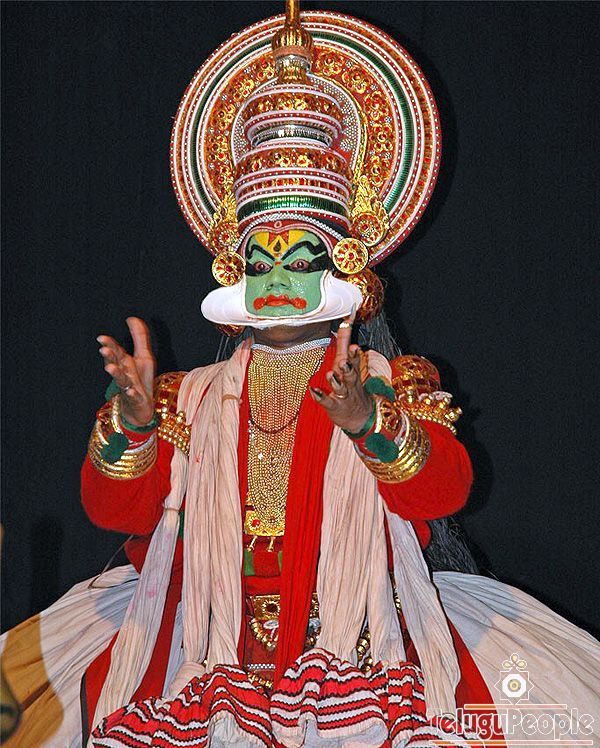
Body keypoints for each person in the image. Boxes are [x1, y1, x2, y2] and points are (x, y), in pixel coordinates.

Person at [1, 2, 598, 747]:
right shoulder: (186, 397)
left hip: (363, 643)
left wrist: (370, 427)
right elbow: (116, 513)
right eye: (260, 262)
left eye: (301, 259)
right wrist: (135, 425)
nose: (278, 280)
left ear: (344, 267)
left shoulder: (391, 381)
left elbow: (446, 492)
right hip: (200, 643)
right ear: (234, 275)